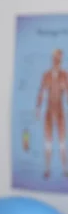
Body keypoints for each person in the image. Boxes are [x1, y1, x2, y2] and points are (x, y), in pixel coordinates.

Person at [36, 48, 68, 178]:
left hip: (59, 110)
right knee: (48, 141)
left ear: (61, 61)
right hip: (49, 110)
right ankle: (47, 169)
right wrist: (38, 108)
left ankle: (65, 169)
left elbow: (67, 94)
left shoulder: (65, 75)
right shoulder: (46, 75)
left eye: (59, 59)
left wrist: (64, 88)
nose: (56, 61)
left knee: (61, 141)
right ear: (52, 60)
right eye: (55, 59)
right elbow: (42, 92)